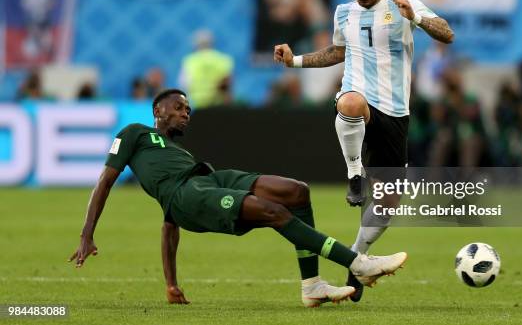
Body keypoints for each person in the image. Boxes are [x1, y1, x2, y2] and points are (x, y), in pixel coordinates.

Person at [68, 89, 407, 308]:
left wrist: (171, 284)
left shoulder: (179, 153)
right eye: (179, 107)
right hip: (188, 193)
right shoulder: (134, 134)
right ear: (158, 109)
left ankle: (312, 285)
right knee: (273, 211)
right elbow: (106, 181)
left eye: (188, 109)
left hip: (209, 179)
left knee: (297, 191)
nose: (186, 113)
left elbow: (169, 224)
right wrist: (87, 233)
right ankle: (358, 263)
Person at [274, 0, 453, 301]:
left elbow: (447, 34)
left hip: (396, 112)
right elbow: (338, 52)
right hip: (359, 101)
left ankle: (356, 262)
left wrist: (415, 16)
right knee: (350, 102)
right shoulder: (344, 12)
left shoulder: (404, 5)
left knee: (389, 201)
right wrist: (294, 61)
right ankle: (354, 174)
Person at [179, 30, 233, 109]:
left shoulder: (190, 61)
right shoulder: (223, 60)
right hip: (218, 104)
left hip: (197, 105)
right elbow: (227, 85)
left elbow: (184, 85)